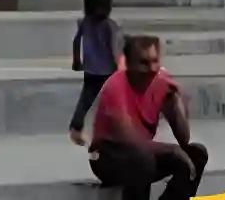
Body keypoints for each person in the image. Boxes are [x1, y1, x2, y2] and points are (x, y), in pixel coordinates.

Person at [88, 35, 209, 200]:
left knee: (197, 153)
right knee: (143, 157)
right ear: (129, 65)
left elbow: (184, 139)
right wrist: (172, 150)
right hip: (107, 157)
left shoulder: (161, 80)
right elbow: (131, 141)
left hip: (142, 154)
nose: (152, 68)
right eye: (144, 63)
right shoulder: (115, 87)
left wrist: (174, 103)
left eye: (154, 61)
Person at [69, 0, 125, 145]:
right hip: (108, 71)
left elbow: (76, 41)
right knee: (115, 100)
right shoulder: (110, 25)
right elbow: (114, 48)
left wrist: (76, 61)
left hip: (91, 70)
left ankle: (75, 128)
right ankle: (117, 130)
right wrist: (120, 68)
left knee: (86, 99)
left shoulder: (84, 22)